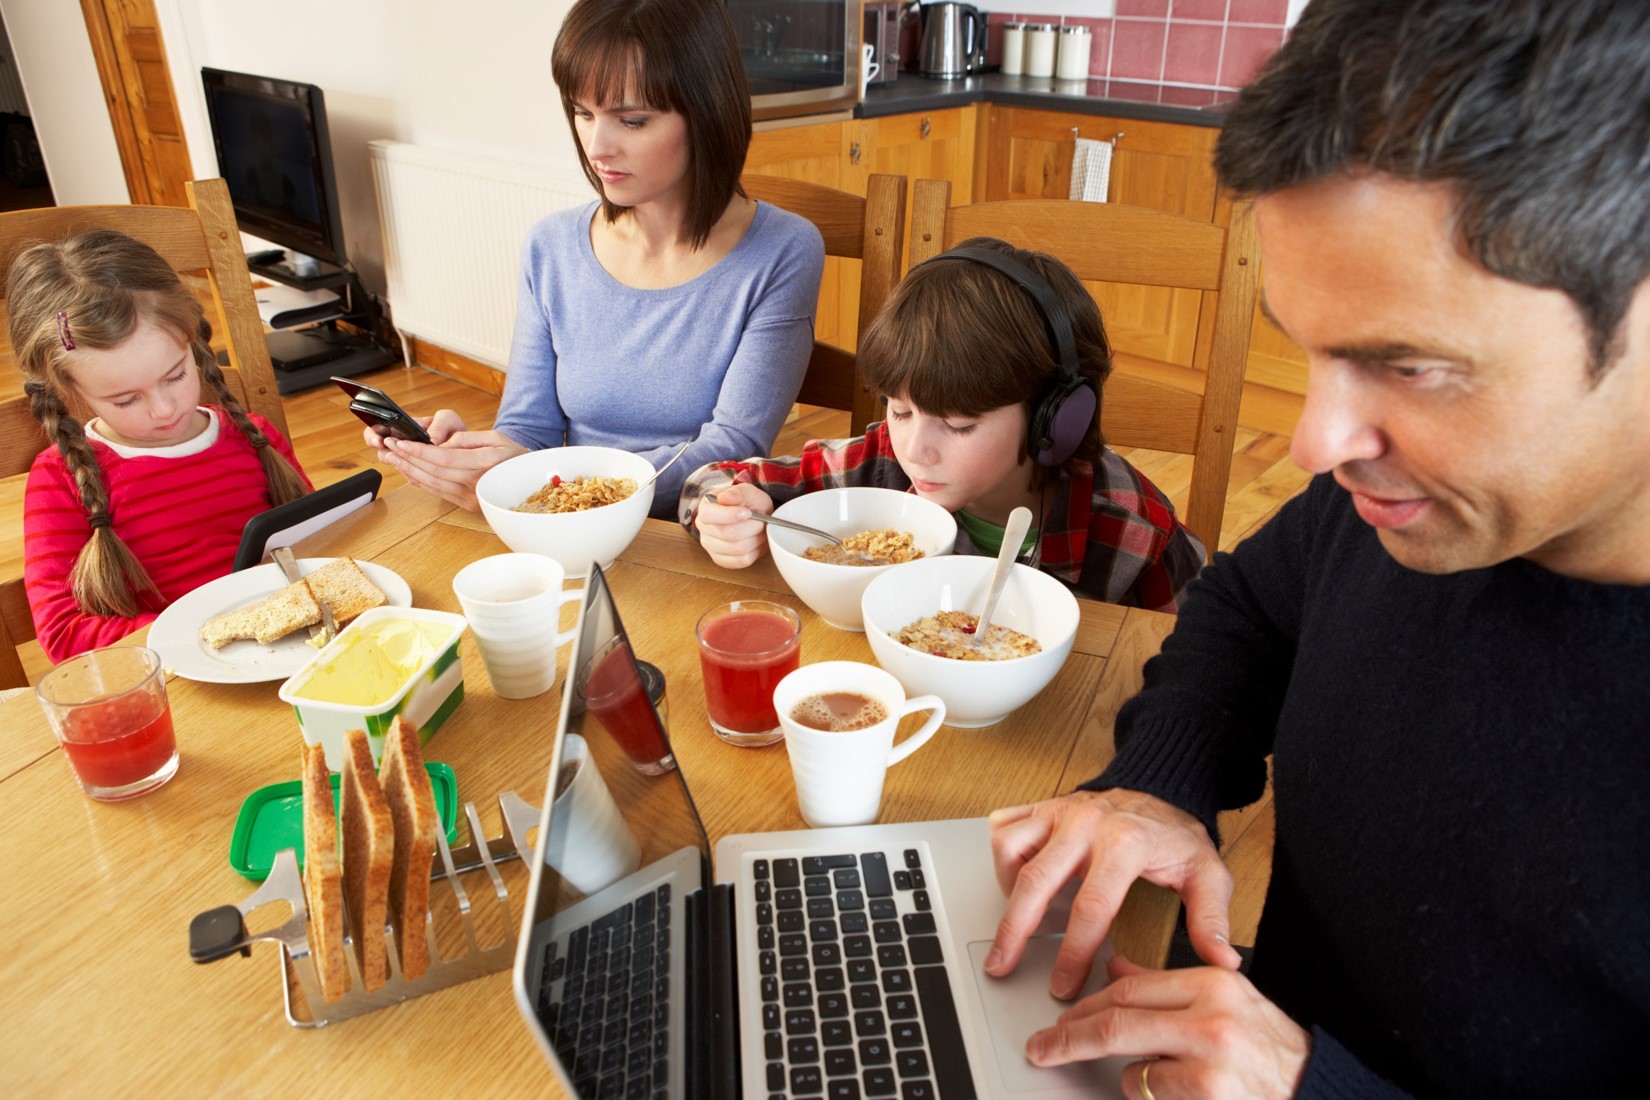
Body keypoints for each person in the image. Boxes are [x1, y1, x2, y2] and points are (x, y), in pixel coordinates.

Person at [982, 0, 1650, 1096]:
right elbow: (1249, 607)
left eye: (1411, 366)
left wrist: (1311, 1087)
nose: (1316, 443)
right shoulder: (1395, 504)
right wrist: (1163, 782)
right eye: (1313, 355)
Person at [369, 0, 824, 518]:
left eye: (632, 120)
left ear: (707, 113)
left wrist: (563, 487)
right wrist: (480, 458)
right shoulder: (551, 246)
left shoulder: (784, 250)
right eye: (583, 113)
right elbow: (528, 430)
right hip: (566, 527)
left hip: (695, 537)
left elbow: (731, 447)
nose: (596, 146)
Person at [682, 237, 1207, 612]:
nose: (916, 449)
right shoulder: (884, 458)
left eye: (958, 424)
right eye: (900, 408)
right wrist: (722, 513)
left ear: (1057, 420)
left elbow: (1205, 666)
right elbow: (713, 482)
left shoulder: (1135, 528)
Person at [12, 229, 312, 664]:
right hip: (176, 678)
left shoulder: (256, 437)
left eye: (175, 376)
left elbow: (323, 548)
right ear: (70, 388)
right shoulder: (61, 479)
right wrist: (203, 632)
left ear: (192, 341)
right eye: (125, 399)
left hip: (298, 652)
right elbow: (63, 635)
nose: (164, 409)